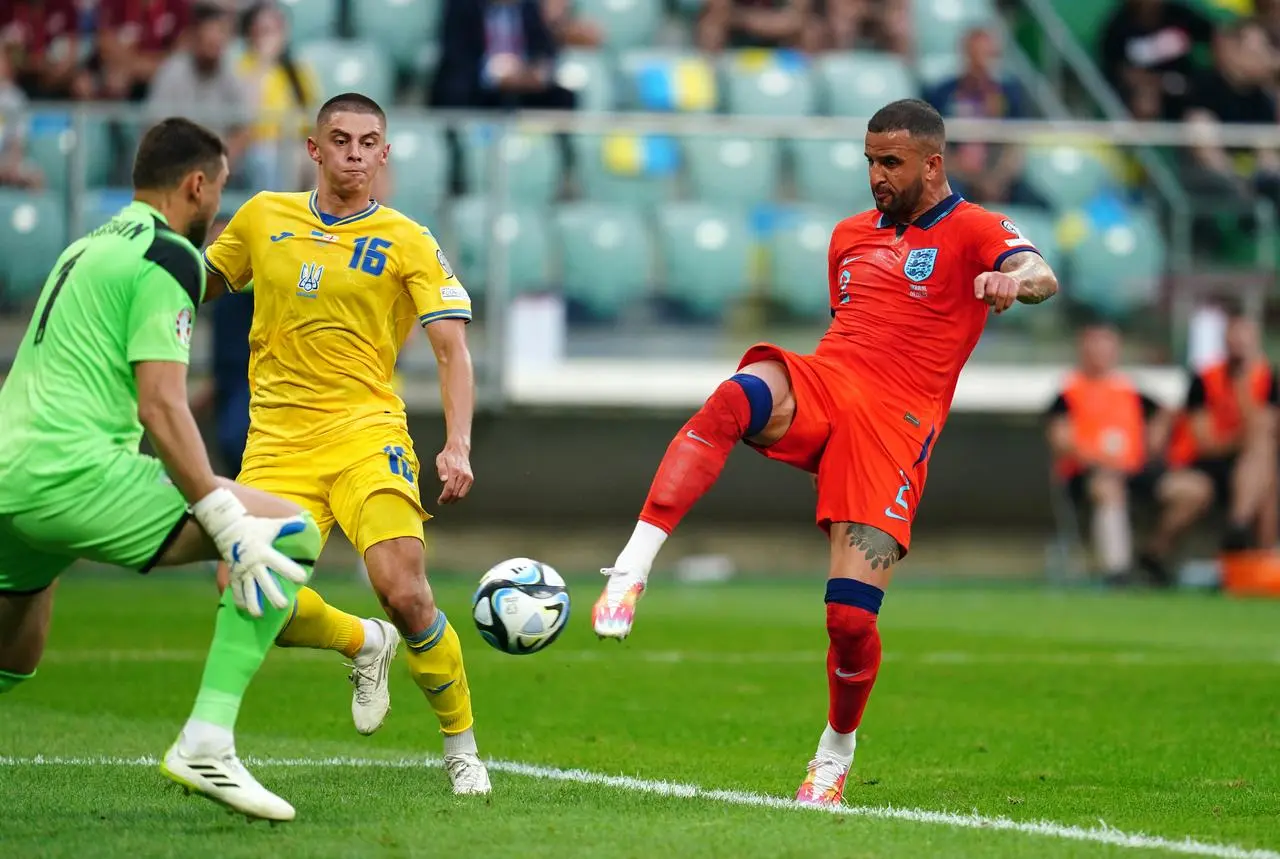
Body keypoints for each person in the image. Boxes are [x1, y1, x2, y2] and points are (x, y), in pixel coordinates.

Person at [590, 98, 1058, 807]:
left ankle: (835, 756)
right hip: (831, 379)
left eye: (890, 162)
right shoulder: (847, 237)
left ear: (932, 164)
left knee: (849, 620)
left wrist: (1011, 281)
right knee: (732, 397)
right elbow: (855, 327)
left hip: (895, 426)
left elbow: (1040, 271)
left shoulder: (973, 228)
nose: (875, 174)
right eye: (869, 159)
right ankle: (631, 568)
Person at [0, 117, 322, 822]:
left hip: (9, 470)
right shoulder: (169, 256)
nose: (219, 210)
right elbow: (162, 407)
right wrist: (220, 513)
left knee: (14, 654)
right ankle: (207, 739)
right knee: (292, 529)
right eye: (221, 191)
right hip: (73, 475)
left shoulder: (88, 245)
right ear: (197, 185)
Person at [200, 92, 489, 796]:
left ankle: (462, 746)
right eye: (341, 139)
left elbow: (451, 348)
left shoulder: (408, 238)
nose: (354, 153)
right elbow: (196, 284)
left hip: (367, 434)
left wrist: (457, 444)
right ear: (315, 149)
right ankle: (362, 643)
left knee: (405, 589)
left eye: (368, 142)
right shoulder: (262, 217)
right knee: (247, 596)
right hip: (277, 444)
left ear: (384, 155)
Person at [1145, 307, 1280, 577]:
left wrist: (1243, 393)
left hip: (1248, 467)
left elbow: (1267, 428)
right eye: (1234, 335)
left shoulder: (1268, 380)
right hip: (1203, 463)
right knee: (1263, 464)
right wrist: (1246, 436)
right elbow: (1206, 441)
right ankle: (1246, 541)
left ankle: (1248, 546)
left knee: (1267, 475)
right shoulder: (1204, 380)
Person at [1045, 322, 1171, 587]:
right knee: (1108, 489)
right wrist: (1101, 461)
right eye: (1094, 345)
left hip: (1133, 471)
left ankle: (1154, 555)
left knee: (1190, 490)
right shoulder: (1068, 392)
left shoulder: (1130, 391)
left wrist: (1153, 441)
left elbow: (1165, 413)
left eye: (1106, 345)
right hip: (1088, 475)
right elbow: (1061, 441)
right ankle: (1118, 571)